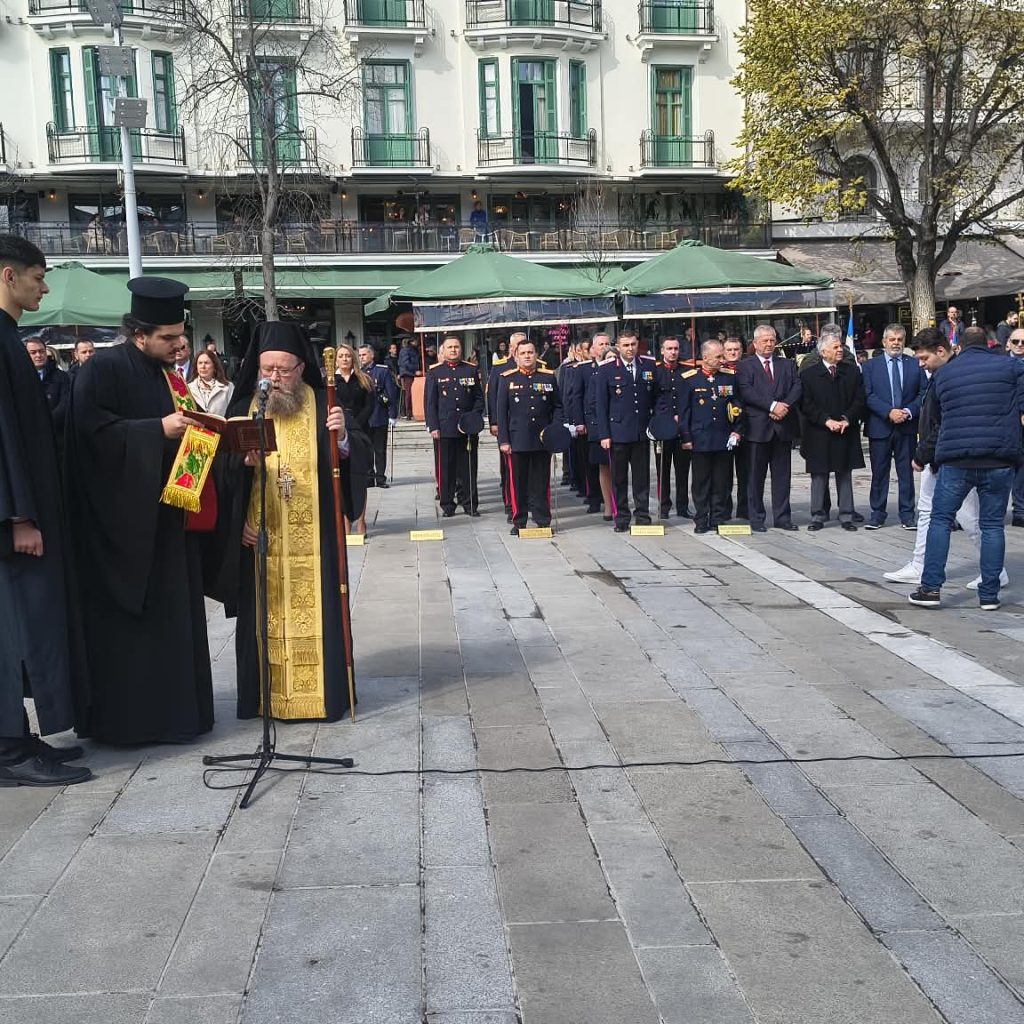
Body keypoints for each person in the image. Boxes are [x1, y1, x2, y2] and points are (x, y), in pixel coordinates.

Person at [65, 276, 215, 745]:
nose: (178, 346)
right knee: (130, 633)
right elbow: (87, 437)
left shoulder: (172, 376)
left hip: (171, 516)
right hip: (122, 528)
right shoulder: (102, 369)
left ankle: (180, 717)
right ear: (138, 334)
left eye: (180, 336)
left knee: (175, 622)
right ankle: (129, 724)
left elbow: (192, 433)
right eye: (167, 338)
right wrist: (155, 430)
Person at [220, 322, 357, 721]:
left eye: (283, 369)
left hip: (315, 536)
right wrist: (239, 511)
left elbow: (350, 460)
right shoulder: (245, 406)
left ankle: (323, 697)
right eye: (267, 369)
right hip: (260, 535)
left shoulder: (322, 403)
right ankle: (264, 698)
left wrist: (343, 438)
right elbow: (223, 473)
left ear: (301, 368)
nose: (274, 378)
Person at [0, 235, 91, 787]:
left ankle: (16, 734)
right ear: (8, 276)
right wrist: (18, 518)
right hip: (11, 526)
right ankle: (9, 750)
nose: (44, 288)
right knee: (11, 635)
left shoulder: (9, 337)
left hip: (22, 514)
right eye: (38, 278)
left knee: (25, 632)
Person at [910, 326, 1024, 610]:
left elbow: (935, 422)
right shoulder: (1011, 368)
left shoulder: (944, 374)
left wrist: (922, 455)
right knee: (992, 525)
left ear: (959, 345)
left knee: (940, 520)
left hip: (956, 460)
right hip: (998, 459)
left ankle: (931, 588)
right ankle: (989, 595)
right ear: (989, 344)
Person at [884, 329, 1005, 590]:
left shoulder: (952, 375)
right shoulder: (940, 374)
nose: (920, 364)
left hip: (953, 458)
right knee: (927, 511)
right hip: (939, 455)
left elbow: (944, 423)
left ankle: (995, 572)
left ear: (941, 351)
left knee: (970, 517)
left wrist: (922, 454)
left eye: (924, 358)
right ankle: (920, 564)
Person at [735, 324, 802, 531]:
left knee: (782, 476)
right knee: (755, 477)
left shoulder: (787, 364)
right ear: (755, 343)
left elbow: (797, 387)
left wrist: (785, 406)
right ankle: (756, 518)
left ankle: (782, 518)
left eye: (772, 340)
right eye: (764, 340)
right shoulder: (745, 366)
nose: (769, 344)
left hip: (782, 427)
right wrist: (772, 406)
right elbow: (747, 392)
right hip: (757, 428)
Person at [798, 332, 866, 532]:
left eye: (840, 346)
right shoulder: (809, 374)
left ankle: (846, 514)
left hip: (845, 430)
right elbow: (806, 404)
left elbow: (860, 399)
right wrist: (826, 420)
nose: (840, 350)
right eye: (835, 347)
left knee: (844, 473)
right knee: (819, 475)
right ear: (823, 351)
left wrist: (847, 418)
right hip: (819, 431)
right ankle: (818, 514)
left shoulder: (852, 371)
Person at [496, 340, 563, 534]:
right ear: (516, 356)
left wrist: (554, 431)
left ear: (536, 355)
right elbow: (502, 413)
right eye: (523, 353)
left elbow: (558, 407)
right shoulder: (507, 378)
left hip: (542, 439)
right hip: (518, 439)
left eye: (530, 352)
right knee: (518, 483)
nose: (527, 356)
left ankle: (542, 519)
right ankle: (519, 521)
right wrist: (504, 440)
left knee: (541, 481)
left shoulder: (548, 377)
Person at [595, 330, 659, 532]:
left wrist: (657, 425)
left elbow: (657, 397)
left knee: (641, 477)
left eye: (633, 344)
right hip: (618, 432)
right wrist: (604, 434)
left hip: (641, 431)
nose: (630, 349)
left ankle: (642, 515)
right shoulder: (606, 370)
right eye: (625, 345)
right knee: (619, 478)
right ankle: (621, 517)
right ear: (618, 347)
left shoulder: (648, 365)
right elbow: (601, 405)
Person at [862, 323, 924, 530]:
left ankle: (907, 515)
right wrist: (888, 412)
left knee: (906, 473)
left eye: (900, 339)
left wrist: (907, 411)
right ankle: (877, 514)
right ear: (884, 342)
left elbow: (923, 393)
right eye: (892, 339)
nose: (896, 343)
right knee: (879, 473)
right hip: (880, 426)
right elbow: (868, 395)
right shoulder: (870, 366)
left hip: (906, 427)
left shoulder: (915, 364)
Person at [678, 341, 744, 533]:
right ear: (705, 357)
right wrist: (686, 438)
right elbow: (684, 412)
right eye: (718, 357)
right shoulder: (690, 379)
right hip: (700, 438)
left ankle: (717, 517)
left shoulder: (729, 378)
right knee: (701, 482)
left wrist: (737, 430)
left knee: (721, 481)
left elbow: (738, 406)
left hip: (723, 438)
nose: (722, 360)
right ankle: (701, 519)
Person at [426, 336, 485, 517]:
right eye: (450, 347)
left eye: (456, 347)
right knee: (447, 469)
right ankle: (447, 504)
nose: (453, 350)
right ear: (443, 351)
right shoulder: (435, 372)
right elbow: (430, 403)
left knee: (468, 468)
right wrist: (433, 426)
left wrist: (473, 417)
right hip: (446, 427)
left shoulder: (470, 370)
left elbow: (479, 398)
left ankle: (469, 504)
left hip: (467, 428)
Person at [333, 343, 374, 536]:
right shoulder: (330, 381)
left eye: (347, 356)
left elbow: (369, 406)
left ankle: (361, 521)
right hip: (340, 434)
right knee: (341, 479)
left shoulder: (364, 379)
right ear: (336, 360)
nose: (344, 359)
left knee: (361, 478)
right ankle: (345, 521)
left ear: (353, 359)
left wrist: (355, 424)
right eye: (341, 356)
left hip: (360, 432)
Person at [653, 336, 693, 518]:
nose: (673, 352)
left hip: (682, 428)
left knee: (683, 470)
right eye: (669, 349)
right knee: (663, 470)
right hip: (663, 427)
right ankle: (663, 506)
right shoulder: (656, 371)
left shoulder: (687, 371)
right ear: (662, 350)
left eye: (675, 348)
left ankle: (683, 506)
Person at [488, 332, 524, 520]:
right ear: (511, 348)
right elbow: (493, 396)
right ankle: (510, 504)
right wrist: (494, 422)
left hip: (530, 427)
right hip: (508, 426)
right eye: (518, 345)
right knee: (509, 468)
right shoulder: (500, 367)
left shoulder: (538, 366)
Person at [359, 343, 399, 488]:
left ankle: (380, 478)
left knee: (380, 450)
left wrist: (392, 415)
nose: (361, 358)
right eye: (360, 355)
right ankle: (369, 478)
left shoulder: (382, 371)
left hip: (379, 415)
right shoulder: (358, 373)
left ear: (372, 355)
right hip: (364, 418)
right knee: (366, 450)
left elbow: (391, 394)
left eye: (364, 354)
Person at [722, 336, 749, 518]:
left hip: (747, 427)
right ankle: (724, 510)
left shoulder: (748, 369)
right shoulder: (720, 372)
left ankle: (744, 510)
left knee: (745, 473)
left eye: (736, 349)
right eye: (729, 350)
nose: (733, 353)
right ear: (723, 352)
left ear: (742, 351)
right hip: (725, 429)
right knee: (724, 474)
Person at [25, 336, 70, 438]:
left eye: (41, 351)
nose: (38, 355)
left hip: (56, 432)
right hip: (30, 432)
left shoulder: (61, 376)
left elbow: (65, 403)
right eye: (33, 352)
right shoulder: (19, 378)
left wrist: (48, 420)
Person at [1008, 325, 1024, 529]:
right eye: (1016, 341)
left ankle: (1020, 511)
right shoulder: (1000, 364)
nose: (1020, 345)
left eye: (1023, 342)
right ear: (1008, 344)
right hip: (1003, 423)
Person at [187, 349, 234, 416]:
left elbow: (232, 412)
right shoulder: (188, 388)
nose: (203, 366)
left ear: (214, 366)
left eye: (206, 363)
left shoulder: (228, 387)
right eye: (200, 363)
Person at [397, 338, 420, 419]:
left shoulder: (413, 350)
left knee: (410, 393)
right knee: (409, 393)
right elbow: (406, 363)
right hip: (408, 373)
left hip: (410, 373)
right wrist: (415, 370)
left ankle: (409, 412)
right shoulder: (407, 350)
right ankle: (408, 413)